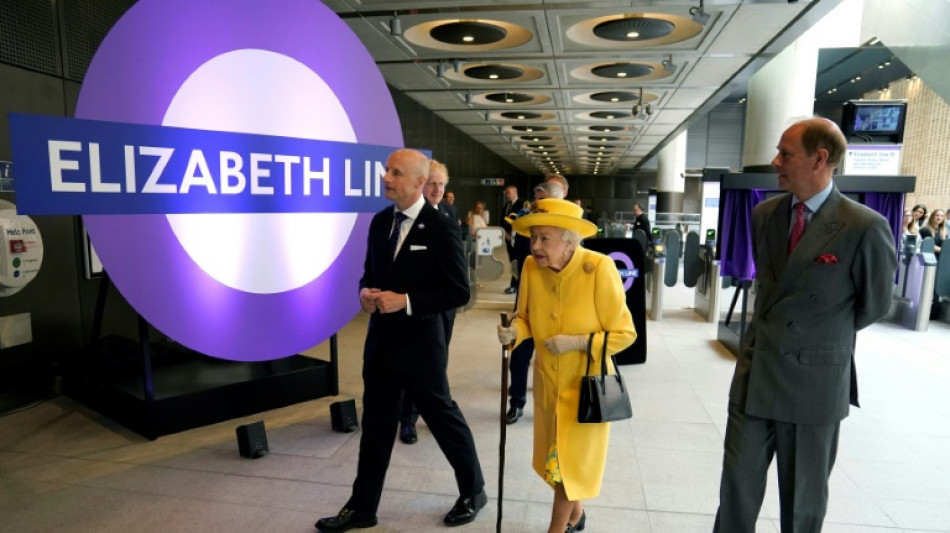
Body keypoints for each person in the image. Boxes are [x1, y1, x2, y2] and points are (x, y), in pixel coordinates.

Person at [713, 118, 897, 533]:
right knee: (735, 496)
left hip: (814, 384)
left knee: (802, 505)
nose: (775, 161)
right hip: (756, 374)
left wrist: (817, 339)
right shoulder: (765, 215)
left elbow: (874, 305)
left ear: (819, 159)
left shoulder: (864, 226)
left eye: (785, 153)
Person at [315, 149, 486, 532]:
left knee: (442, 420)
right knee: (376, 424)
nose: (386, 177)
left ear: (418, 183)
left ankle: (473, 491)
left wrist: (405, 301)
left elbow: (458, 292)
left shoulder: (441, 227)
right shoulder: (379, 223)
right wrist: (364, 294)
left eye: (396, 172)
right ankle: (362, 507)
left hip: (422, 346)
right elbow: (368, 273)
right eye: (386, 170)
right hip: (380, 344)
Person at [496, 198, 637, 533]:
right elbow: (527, 318)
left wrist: (577, 342)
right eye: (533, 238)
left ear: (570, 239)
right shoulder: (531, 267)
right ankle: (577, 516)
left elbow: (625, 333)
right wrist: (513, 331)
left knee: (566, 467)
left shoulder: (599, 268)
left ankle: (556, 529)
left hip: (586, 389)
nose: (536, 246)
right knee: (557, 465)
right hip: (549, 383)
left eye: (545, 238)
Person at [398, 159, 460, 445]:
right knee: (415, 364)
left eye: (441, 184)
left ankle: (433, 415)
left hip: (445, 307)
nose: (436, 189)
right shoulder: (408, 218)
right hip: (417, 308)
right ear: (421, 185)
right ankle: (407, 419)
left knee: (438, 364)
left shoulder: (448, 213)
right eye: (431, 183)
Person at [504, 181, 565, 425]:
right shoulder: (528, 227)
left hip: (560, 309)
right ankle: (516, 403)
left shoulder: (568, 233)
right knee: (519, 355)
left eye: (543, 205)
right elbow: (521, 253)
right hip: (529, 302)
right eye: (536, 205)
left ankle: (558, 406)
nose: (537, 210)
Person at [502, 185, 526, 294]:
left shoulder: (521, 205)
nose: (507, 195)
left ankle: (516, 284)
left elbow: (520, 221)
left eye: (509, 193)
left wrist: (512, 234)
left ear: (515, 192)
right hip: (507, 237)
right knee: (512, 262)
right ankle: (514, 284)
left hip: (517, 237)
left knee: (517, 261)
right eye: (506, 193)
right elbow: (503, 221)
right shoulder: (506, 206)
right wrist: (505, 233)